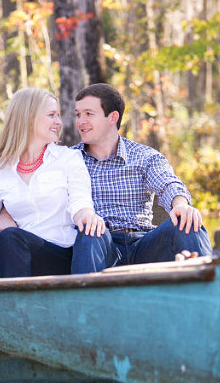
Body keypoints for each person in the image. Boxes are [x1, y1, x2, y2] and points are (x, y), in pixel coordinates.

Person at [69, 83, 212, 273]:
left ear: (112, 117)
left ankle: (208, 290)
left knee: (186, 220)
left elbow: (168, 183)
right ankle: (85, 300)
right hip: (102, 247)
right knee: (89, 232)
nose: (80, 121)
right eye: (78, 114)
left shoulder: (144, 156)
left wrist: (181, 205)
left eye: (89, 114)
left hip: (144, 245)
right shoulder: (70, 160)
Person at [0, 87, 105, 278]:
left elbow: (80, 202)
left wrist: (87, 215)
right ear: (28, 119)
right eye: (51, 115)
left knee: (11, 237)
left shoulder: (68, 158)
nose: (58, 122)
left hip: (57, 253)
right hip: (14, 252)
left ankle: (16, 305)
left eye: (58, 115)